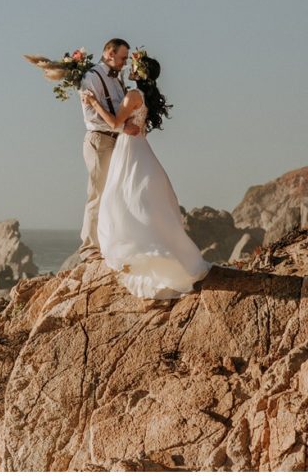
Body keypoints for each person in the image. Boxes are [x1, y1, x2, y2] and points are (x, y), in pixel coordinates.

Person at [81, 50, 212, 299]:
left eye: (134, 65)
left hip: (128, 149)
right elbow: (135, 127)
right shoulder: (146, 96)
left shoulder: (133, 95)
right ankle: (152, 248)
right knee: (140, 202)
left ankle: (133, 249)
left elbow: (113, 123)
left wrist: (93, 102)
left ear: (140, 73)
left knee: (118, 198)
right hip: (141, 147)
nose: (130, 66)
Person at [76, 39, 142, 257]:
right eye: (123, 58)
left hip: (116, 140)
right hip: (99, 139)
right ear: (110, 53)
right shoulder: (91, 77)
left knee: (113, 192)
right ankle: (89, 247)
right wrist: (123, 127)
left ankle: (108, 242)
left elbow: (117, 108)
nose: (124, 63)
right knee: (97, 192)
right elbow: (93, 116)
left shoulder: (118, 78)